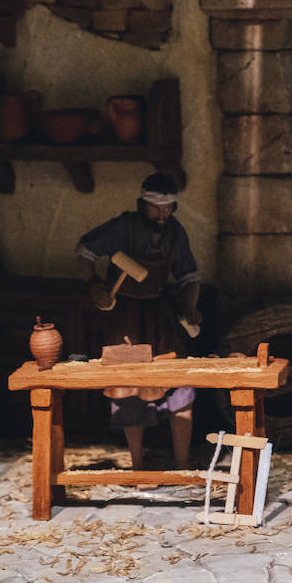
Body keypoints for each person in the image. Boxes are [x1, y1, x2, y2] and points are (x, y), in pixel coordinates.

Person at [75, 173, 202, 470]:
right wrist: (95, 286)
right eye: (155, 208)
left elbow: (190, 276)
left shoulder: (175, 232)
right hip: (124, 317)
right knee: (128, 386)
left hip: (161, 315)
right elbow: (84, 251)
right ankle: (138, 465)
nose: (162, 214)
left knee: (179, 384)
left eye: (168, 208)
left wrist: (191, 306)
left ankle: (182, 464)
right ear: (141, 204)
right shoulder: (123, 227)